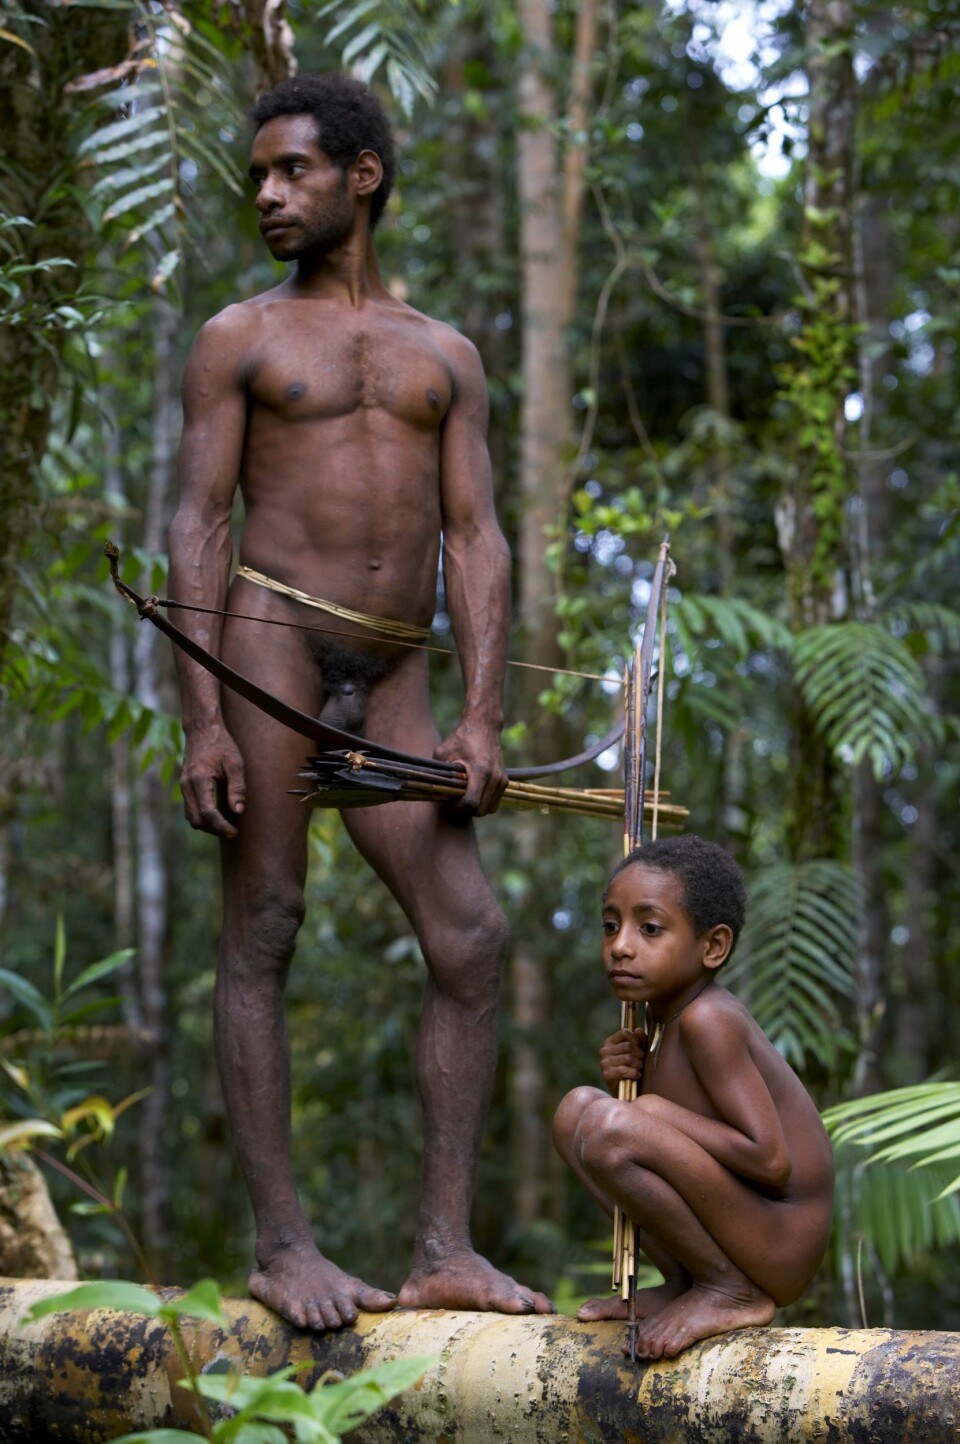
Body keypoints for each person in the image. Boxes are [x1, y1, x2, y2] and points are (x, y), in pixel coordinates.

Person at [167, 72, 554, 1331]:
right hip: (271, 638)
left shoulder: (446, 353)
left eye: (293, 172)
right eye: (260, 179)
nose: (270, 197)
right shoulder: (240, 339)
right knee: (266, 921)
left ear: (362, 176)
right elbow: (200, 520)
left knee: (470, 938)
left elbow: (477, 534)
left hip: (395, 667)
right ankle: (286, 1248)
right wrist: (205, 717)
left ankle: (445, 1245)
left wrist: (483, 710)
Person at [553, 836, 834, 1360]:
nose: (620, 945)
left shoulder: (709, 1019)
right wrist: (629, 1087)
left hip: (779, 1237)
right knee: (576, 1113)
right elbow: (672, 1150)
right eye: (611, 925)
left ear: (712, 947)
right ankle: (688, 1282)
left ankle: (730, 1290)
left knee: (613, 1128)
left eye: (649, 927)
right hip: (742, 1225)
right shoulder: (660, 1026)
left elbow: (769, 1161)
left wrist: (652, 1112)